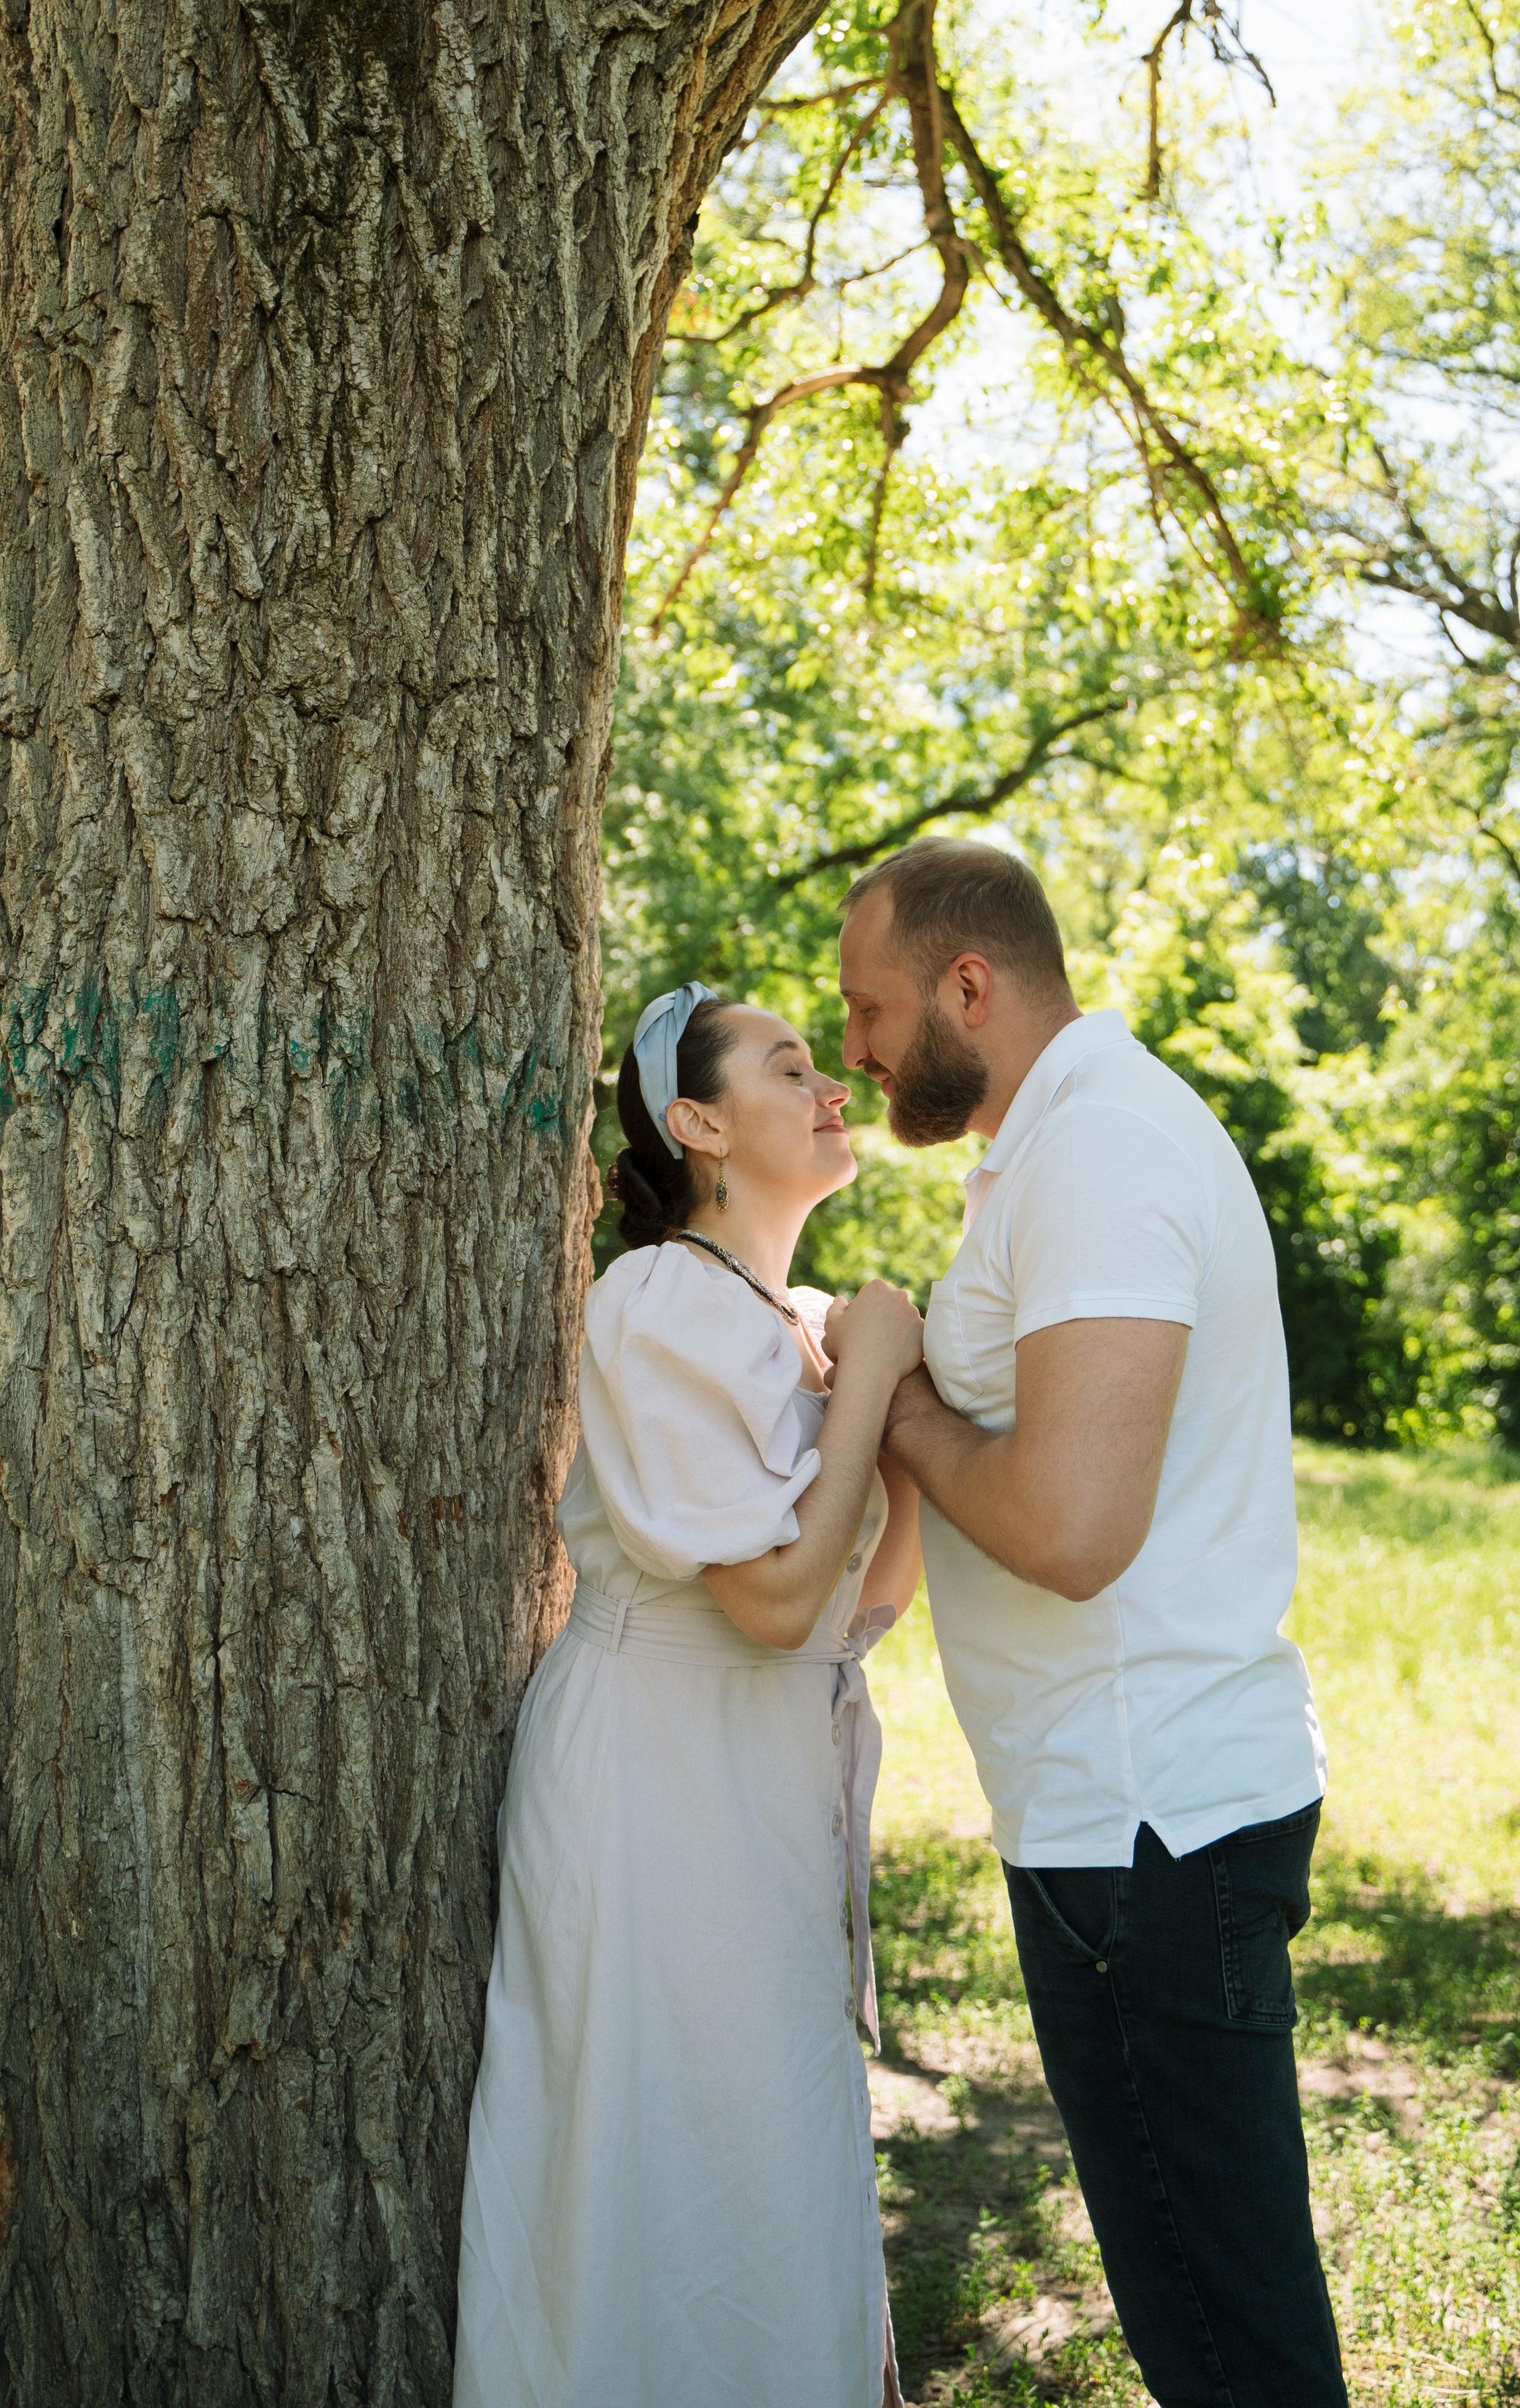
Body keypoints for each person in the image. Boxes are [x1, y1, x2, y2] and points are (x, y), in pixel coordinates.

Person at [838, 837, 1347, 2408]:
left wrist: (899, 1399)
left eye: (865, 1007)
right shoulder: (1057, 1146)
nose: (852, 1047)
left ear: (966, 986)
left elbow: (1069, 1528)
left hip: (1147, 1832)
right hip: (1121, 1819)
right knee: (1208, 2316)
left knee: (1226, 2342)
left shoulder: (1101, 1154)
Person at [452, 983, 924, 2408]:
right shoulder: (656, 1299)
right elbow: (771, 1600)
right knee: (648, 2165)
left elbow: (854, 1613)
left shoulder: (789, 1318)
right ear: (698, 1122)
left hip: (757, 1773)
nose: (832, 1081)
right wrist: (871, 1387)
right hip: (649, 1774)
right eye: (789, 1068)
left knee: (768, 2155)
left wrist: (877, 1407)